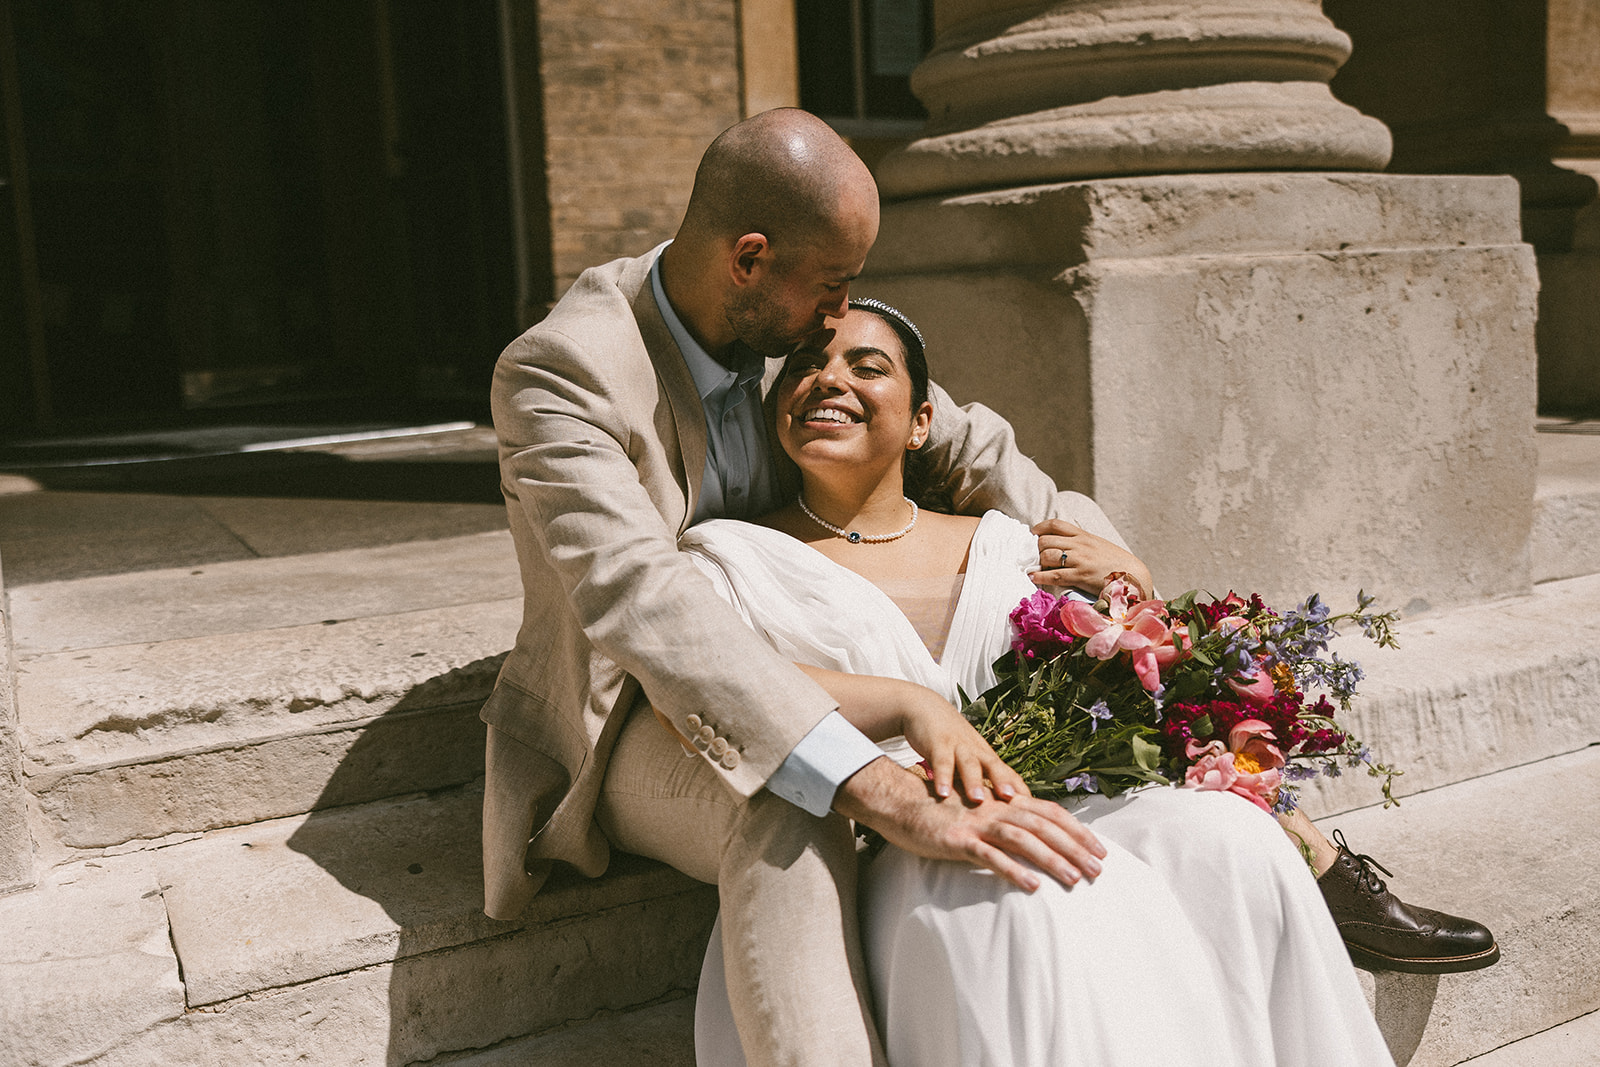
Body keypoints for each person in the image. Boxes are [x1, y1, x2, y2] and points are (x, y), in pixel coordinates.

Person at [486, 108, 1492, 1065]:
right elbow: (638, 599)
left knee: (1154, 782)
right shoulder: (568, 369)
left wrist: (1114, 573)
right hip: (637, 716)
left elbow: (976, 445)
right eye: (832, 283)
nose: (837, 315)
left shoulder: (787, 331)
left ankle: (1295, 861)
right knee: (786, 795)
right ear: (751, 258)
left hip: (832, 657)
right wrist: (883, 778)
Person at [681, 301, 1397, 1065]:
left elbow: (1125, 669)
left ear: (922, 421)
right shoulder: (728, 556)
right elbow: (719, 681)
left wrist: (1135, 589)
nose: (828, 380)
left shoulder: (1015, 547)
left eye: (866, 366)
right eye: (804, 368)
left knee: (1234, 839)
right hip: (876, 837)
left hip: (1049, 793)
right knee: (1023, 889)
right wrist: (907, 706)